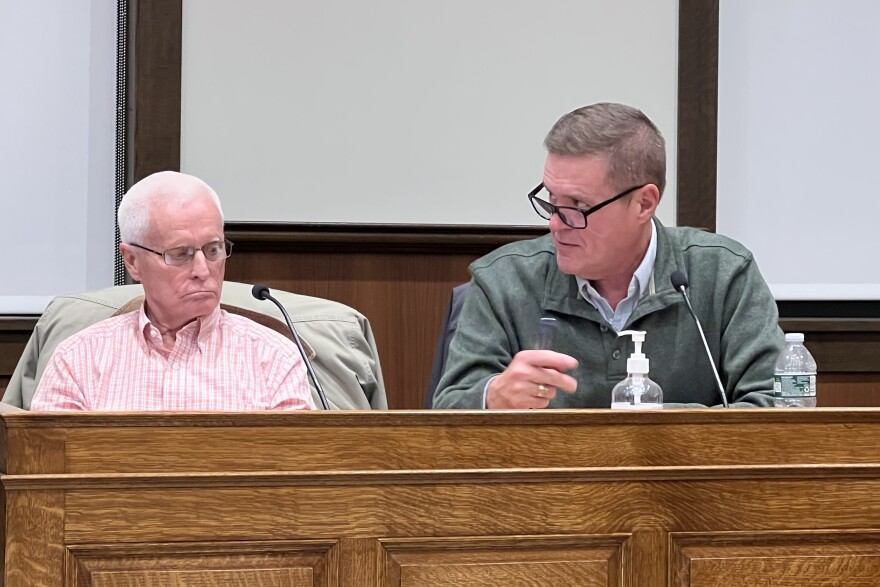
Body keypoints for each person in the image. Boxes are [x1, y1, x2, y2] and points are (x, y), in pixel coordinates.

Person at [433, 102, 784, 409]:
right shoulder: (503, 281)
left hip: (684, 485)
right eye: (551, 201)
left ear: (644, 203)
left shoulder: (723, 274)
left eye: (578, 206)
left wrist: (649, 429)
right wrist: (493, 395)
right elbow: (447, 411)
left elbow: (776, 406)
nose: (556, 224)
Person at [30, 171, 314, 411]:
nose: (203, 270)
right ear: (132, 261)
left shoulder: (275, 359)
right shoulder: (78, 361)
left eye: (213, 249)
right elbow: (49, 469)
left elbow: (298, 472)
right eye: (180, 254)